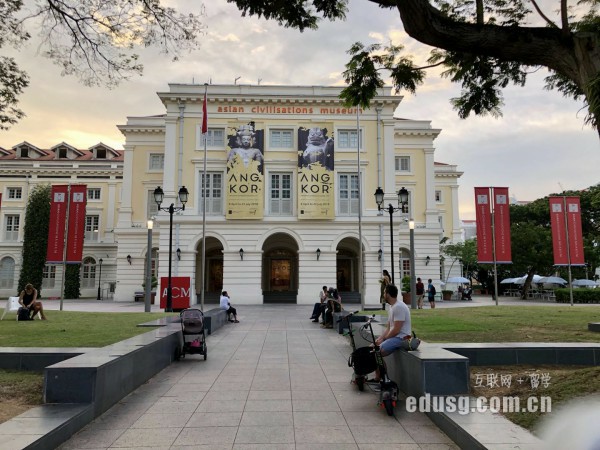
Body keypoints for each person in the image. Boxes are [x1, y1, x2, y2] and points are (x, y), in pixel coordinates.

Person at [368, 284, 413, 382]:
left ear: (388, 294)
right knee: (371, 349)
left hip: (402, 338)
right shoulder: (392, 307)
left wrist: (384, 340)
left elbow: (396, 330)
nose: (383, 294)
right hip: (395, 337)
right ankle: (378, 377)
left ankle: (384, 379)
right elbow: (389, 328)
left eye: (384, 292)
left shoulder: (399, 307)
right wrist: (380, 339)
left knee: (376, 352)